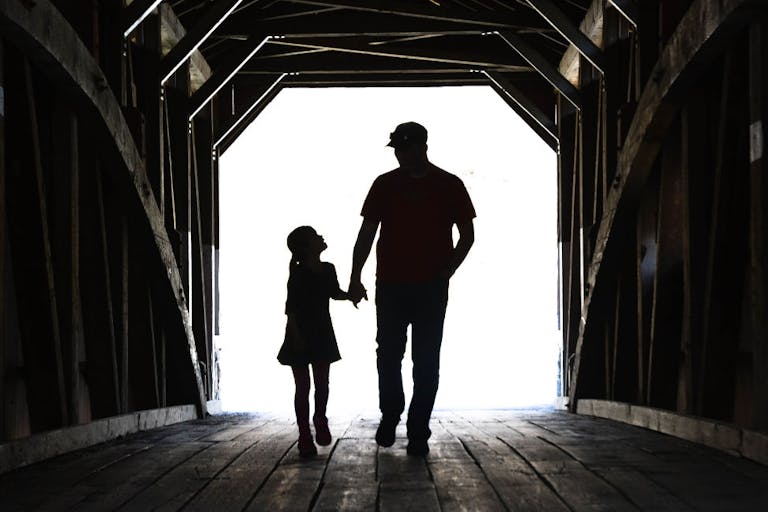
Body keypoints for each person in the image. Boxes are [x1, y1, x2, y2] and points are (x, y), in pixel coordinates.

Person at [348, 121, 476, 456]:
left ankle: (416, 427)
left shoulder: (448, 184)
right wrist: (355, 275)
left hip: (426, 286)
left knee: (422, 359)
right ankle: (393, 414)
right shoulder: (388, 184)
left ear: (422, 146)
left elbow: (468, 237)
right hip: (393, 285)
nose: (401, 155)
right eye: (398, 150)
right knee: (391, 356)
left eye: (405, 149)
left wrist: (447, 270)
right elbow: (366, 233)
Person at [277, 226, 354, 457]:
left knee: (320, 384)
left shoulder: (328, 269)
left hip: (320, 332)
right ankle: (304, 434)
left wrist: (351, 295)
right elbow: (291, 311)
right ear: (306, 247)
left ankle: (319, 418)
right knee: (305, 387)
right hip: (301, 332)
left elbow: (334, 292)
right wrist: (297, 337)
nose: (321, 236)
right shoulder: (298, 274)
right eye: (315, 236)